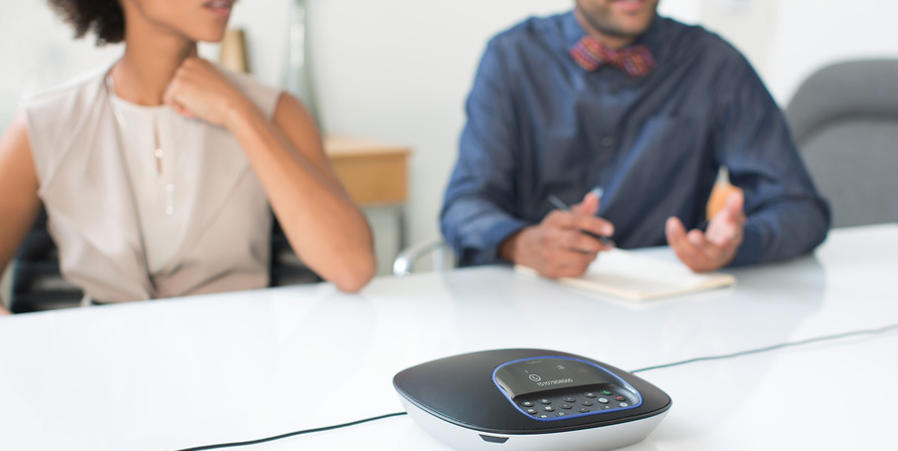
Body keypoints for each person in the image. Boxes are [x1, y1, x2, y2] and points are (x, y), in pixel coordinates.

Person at [0, 0, 376, 315]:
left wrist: (237, 112)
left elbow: (352, 268)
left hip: (241, 381)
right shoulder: (44, 125)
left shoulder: (274, 111)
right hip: (99, 386)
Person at [440, 0, 830, 279]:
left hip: (669, 318)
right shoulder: (512, 57)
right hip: (530, 309)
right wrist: (520, 242)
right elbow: (464, 205)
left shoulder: (715, 64)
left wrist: (737, 245)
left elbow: (800, 210)